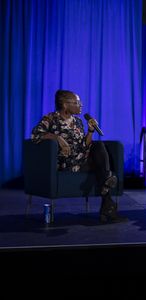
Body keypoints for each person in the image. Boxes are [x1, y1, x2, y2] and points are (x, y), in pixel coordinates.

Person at [31, 89, 126, 223]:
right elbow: (35, 135)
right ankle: (108, 202)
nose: (81, 105)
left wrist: (91, 131)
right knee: (102, 170)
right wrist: (57, 138)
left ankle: (106, 183)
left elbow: (84, 146)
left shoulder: (78, 122)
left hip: (81, 161)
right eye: (77, 102)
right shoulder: (50, 119)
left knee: (98, 146)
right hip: (65, 163)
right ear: (65, 105)